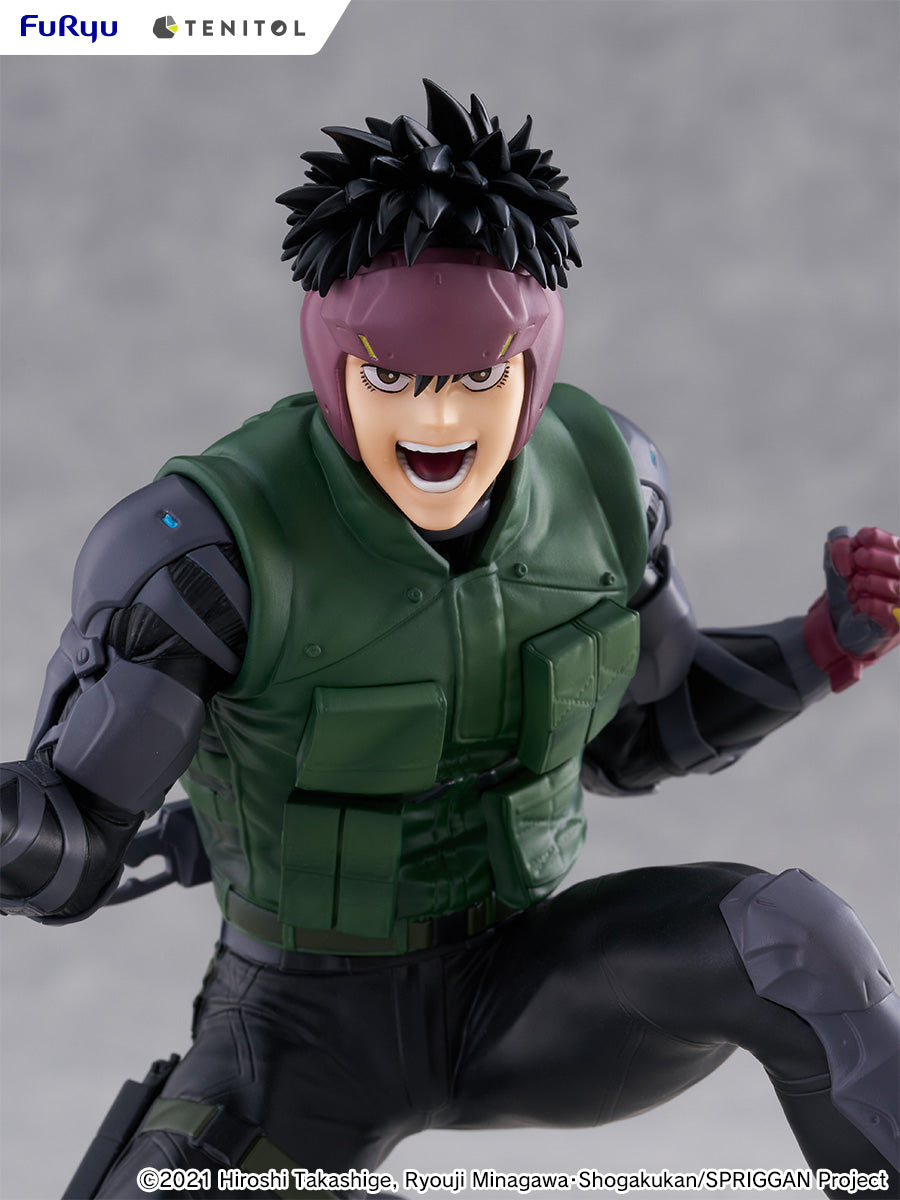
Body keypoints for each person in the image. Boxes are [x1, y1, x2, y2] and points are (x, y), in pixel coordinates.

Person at [2, 81, 898, 1200]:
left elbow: (641, 732)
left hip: (527, 990)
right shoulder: (208, 551)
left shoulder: (606, 482)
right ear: (333, 361)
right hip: (298, 1027)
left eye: (477, 378)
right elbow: (74, 839)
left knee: (791, 940)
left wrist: (819, 644)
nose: (436, 422)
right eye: (392, 377)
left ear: (533, 366)